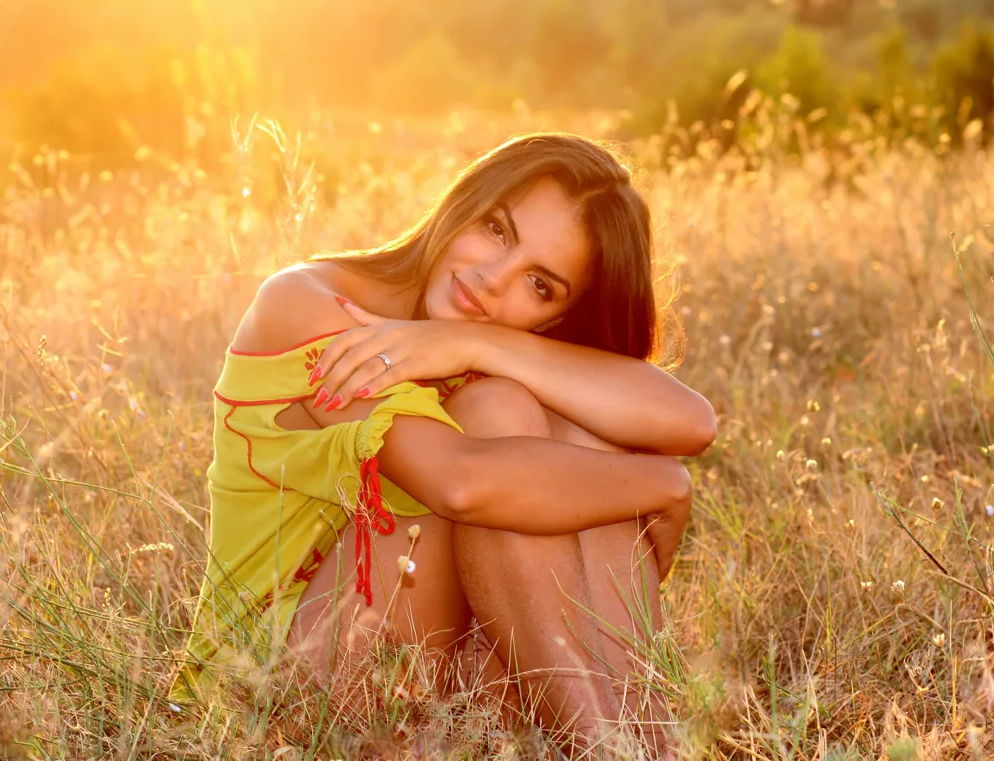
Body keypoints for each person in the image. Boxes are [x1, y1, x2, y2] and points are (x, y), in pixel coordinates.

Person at [171, 133, 715, 754]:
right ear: (465, 201)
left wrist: (474, 343)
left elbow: (691, 422)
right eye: (497, 229)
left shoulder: (487, 344)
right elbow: (460, 484)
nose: (490, 279)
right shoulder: (309, 303)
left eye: (540, 284)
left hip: (447, 681)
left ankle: (638, 742)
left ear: (557, 318)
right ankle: (605, 745)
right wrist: (663, 484)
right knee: (507, 432)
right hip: (276, 692)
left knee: (567, 433)